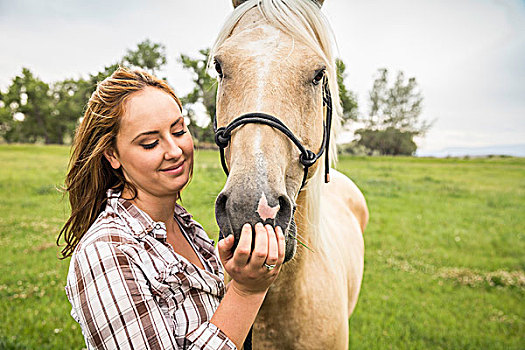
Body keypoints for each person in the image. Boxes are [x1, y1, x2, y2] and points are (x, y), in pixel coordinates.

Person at [59, 67, 285, 350]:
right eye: (150, 143)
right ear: (112, 155)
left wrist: (239, 278)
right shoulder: (106, 252)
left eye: (179, 130)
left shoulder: (186, 228)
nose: (175, 150)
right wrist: (245, 292)